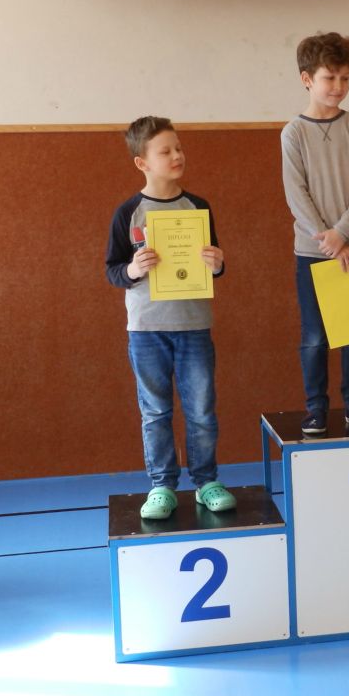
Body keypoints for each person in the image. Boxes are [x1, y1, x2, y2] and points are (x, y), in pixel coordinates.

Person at [105, 116, 236, 519]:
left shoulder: (198, 207)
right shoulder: (128, 212)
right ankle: (161, 485)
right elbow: (112, 270)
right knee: (155, 412)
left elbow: (215, 264)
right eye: (166, 151)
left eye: (179, 148)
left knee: (201, 410)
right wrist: (133, 269)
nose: (177, 155)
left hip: (193, 325)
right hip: (146, 329)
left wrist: (217, 263)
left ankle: (206, 481)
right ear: (142, 162)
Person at [280, 32, 349, 435]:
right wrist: (328, 238)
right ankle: (316, 408)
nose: (338, 86)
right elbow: (296, 194)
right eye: (329, 78)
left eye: (345, 78)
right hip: (313, 250)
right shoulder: (293, 133)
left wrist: (343, 233)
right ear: (307, 79)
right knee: (315, 337)